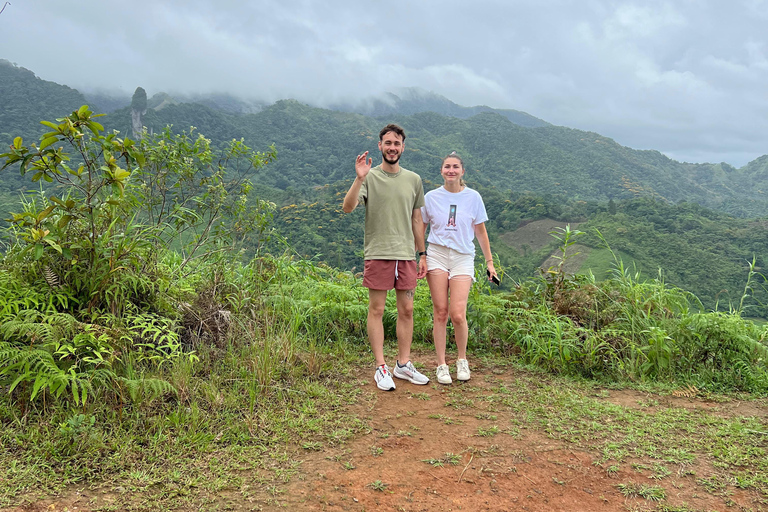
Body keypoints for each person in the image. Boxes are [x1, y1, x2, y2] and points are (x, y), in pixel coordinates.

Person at [342, 124, 430, 391]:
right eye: (388, 143)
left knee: (407, 310)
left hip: (405, 255)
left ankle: (402, 365)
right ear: (380, 146)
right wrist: (359, 178)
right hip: (379, 252)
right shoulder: (369, 177)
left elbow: (417, 219)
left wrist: (422, 253)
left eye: (397, 143)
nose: (392, 147)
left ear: (403, 147)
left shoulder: (413, 179)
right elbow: (348, 208)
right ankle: (380, 366)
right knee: (377, 309)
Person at [421, 152, 498, 384]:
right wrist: (421, 255)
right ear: (441, 170)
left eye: (455, 167)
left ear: (462, 171)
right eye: (447, 167)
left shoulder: (473, 197)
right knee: (441, 312)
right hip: (436, 253)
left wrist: (489, 262)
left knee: (457, 313)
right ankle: (442, 364)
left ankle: (462, 359)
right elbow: (421, 227)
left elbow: (480, 231)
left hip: (463, 256)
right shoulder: (431, 197)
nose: (451, 170)